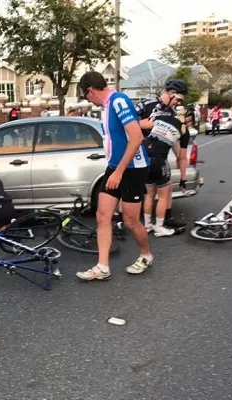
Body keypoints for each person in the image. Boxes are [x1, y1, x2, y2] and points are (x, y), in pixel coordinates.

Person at [75, 71, 153, 281]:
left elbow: (136, 138)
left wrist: (119, 171)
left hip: (133, 168)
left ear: (90, 90)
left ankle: (146, 254)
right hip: (115, 166)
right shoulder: (108, 106)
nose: (88, 100)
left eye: (86, 96)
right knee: (102, 215)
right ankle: (102, 267)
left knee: (130, 220)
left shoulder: (119, 101)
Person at [134, 79, 191, 231]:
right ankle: (125, 220)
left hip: (158, 153)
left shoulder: (173, 112)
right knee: (141, 189)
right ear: (171, 93)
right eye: (178, 99)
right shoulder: (148, 102)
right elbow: (131, 121)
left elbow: (177, 140)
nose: (177, 104)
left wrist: (181, 161)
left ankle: (166, 218)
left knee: (163, 188)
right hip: (139, 150)